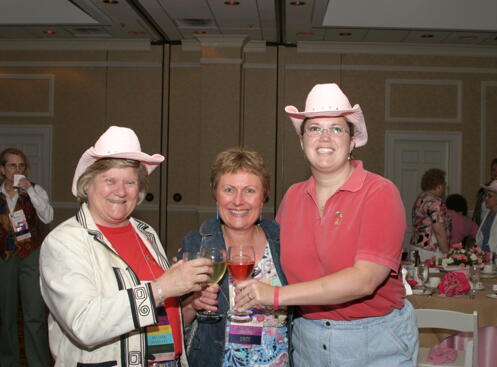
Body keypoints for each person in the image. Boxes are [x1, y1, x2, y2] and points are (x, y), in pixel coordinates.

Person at [234, 83, 418, 366]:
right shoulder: (293, 197)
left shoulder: (379, 192)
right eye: (314, 128)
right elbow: (271, 261)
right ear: (301, 140)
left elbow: (364, 280)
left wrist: (276, 296)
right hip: (307, 340)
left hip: (374, 341)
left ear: (352, 140)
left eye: (336, 129)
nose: (324, 138)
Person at [39, 126, 212, 366]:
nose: (120, 191)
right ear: (88, 184)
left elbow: (157, 312)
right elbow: (84, 325)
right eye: (110, 180)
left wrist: (188, 303)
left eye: (130, 182)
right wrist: (162, 288)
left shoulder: (145, 232)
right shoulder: (64, 242)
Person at [178, 147, 290, 367]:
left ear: (264, 195)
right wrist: (192, 305)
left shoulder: (284, 242)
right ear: (215, 193)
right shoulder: (196, 244)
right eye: (229, 190)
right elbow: (169, 324)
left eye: (249, 191)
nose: (238, 201)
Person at [0, 148, 52, 367]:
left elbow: (47, 216)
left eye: (21, 166)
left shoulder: (35, 190)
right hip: (4, 256)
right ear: (2, 169)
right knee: (6, 316)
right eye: (12, 165)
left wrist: (30, 190)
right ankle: (7, 361)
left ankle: (38, 363)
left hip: (31, 255)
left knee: (34, 315)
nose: (17, 170)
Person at [409, 168, 451, 260]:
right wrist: (447, 254)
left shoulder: (420, 199)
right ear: (439, 186)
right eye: (444, 184)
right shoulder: (435, 202)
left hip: (415, 247)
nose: (445, 188)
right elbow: (439, 231)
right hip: (430, 251)